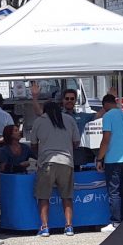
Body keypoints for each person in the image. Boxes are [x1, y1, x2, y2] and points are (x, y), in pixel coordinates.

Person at [28, 101, 80, 237]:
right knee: (67, 196)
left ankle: (45, 227)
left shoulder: (39, 121)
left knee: (43, 196)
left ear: (45, 110)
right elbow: (76, 142)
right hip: (66, 162)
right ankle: (69, 226)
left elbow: (33, 144)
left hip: (47, 162)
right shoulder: (69, 119)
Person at [97, 93, 123, 232]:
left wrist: (99, 158)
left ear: (105, 104)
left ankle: (115, 222)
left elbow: (106, 139)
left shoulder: (107, 116)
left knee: (114, 191)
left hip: (112, 159)